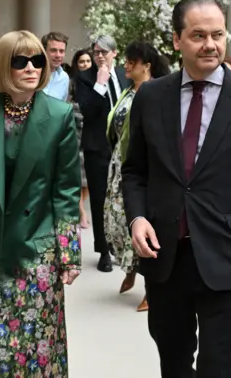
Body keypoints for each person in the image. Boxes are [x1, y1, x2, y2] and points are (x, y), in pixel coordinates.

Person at [121, 0, 231, 378]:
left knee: (221, 369)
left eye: (218, 34)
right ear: (177, 40)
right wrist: (137, 217)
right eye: (198, 35)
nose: (211, 44)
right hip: (165, 259)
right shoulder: (150, 96)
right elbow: (135, 172)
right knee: (174, 365)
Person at [0, 30, 82, 377]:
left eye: (37, 60)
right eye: (20, 61)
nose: (31, 68)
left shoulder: (59, 115)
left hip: (36, 248)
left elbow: (66, 190)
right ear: (2, 66)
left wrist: (68, 251)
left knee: (35, 348)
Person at [103, 41, 170, 313]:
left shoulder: (157, 94)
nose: (127, 65)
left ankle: (149, 288)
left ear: (147, 65)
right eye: (126, 60)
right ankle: (129, 268)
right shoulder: (129, 91)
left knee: (142, 223)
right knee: (116, 222)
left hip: (146, 169)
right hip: (119, 164)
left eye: (132, 61)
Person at [75, 35, 130, 272]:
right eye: (96, 52)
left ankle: (122, 247)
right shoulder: (85, 78)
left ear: (114, 53)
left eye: (104, 52)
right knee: (99, 199)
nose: (99, 56)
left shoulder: (124, 76)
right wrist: (99, 83)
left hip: (123, 147)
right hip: (97, 147)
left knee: (124, 198)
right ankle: (104, 251)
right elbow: (87, 110)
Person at [68, 49, 93, 229]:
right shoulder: (72, 83)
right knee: (77, 177)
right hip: (75, 131)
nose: (84, 64)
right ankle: (81, 211)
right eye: (81, 61)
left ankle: (81, 207)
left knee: (88, 180)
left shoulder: (97, 81)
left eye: (87, 61)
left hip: (92, 132)